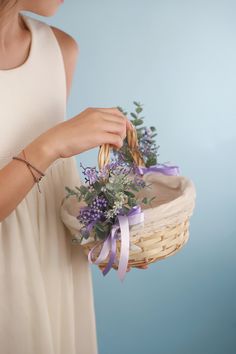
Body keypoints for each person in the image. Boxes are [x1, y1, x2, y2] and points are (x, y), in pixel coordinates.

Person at [0, 1, 148, 353]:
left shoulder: (61, 50)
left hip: (54, 270)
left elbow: (46, 191)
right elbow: (47, 155)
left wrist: (107, 228)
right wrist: (52, 143)